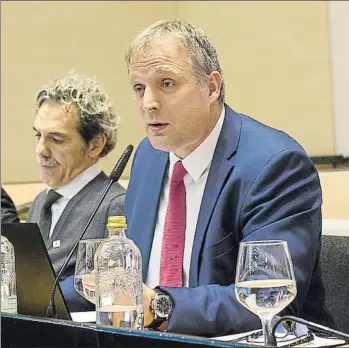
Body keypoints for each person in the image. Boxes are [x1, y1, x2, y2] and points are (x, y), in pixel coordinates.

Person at [123, 19, 331, 337]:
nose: (148, 103)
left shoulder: (274, 165)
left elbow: (268, 302)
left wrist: (159, 308)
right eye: (140, 88)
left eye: (166, 84)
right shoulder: (147, 158)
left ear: (211, 87)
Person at [26, 71, 126, 312]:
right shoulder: (41, 202)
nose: (41, 150)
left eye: (56, 140)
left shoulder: (116, 205)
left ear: (94, 145)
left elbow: (111, 290)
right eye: (38, 135)